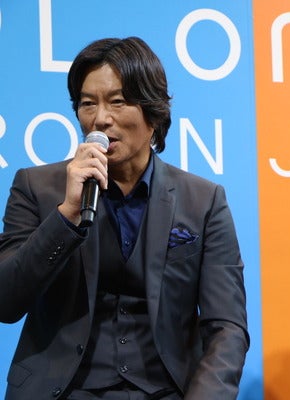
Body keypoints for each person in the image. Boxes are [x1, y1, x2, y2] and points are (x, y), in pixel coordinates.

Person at [0, 37, 249, 399]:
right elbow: (6, 301)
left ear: (154, 113)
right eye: (88, 103)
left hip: (165, 391)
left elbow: (226, 327)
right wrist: (67, 215)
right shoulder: (36, 187)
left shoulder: (203, 200)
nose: (100, 119)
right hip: (63, 391)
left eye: (117, 101)